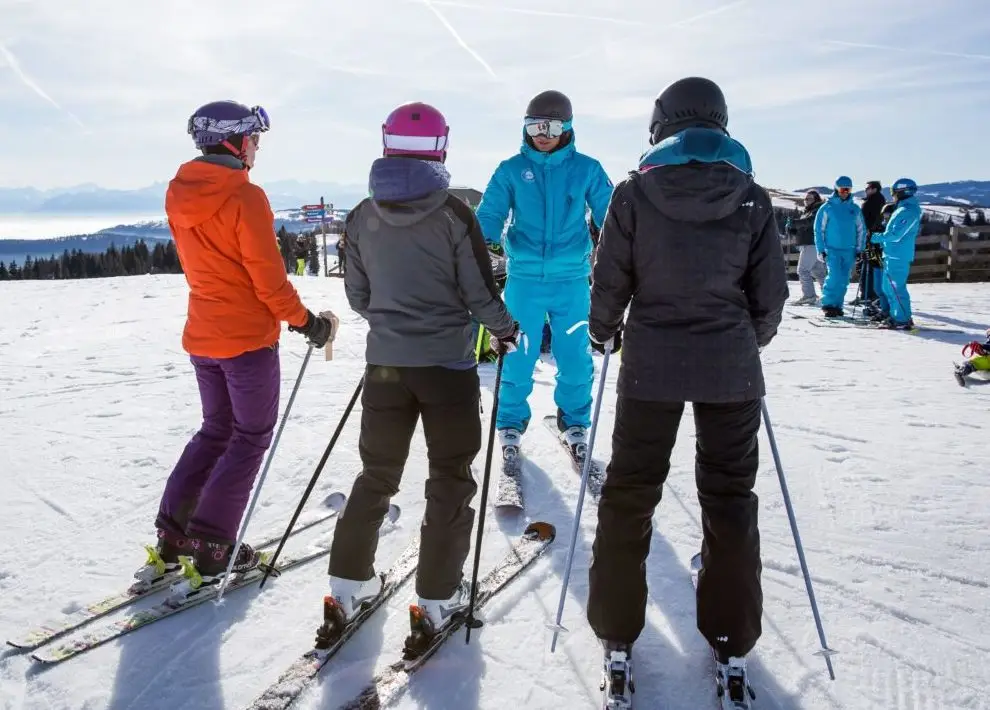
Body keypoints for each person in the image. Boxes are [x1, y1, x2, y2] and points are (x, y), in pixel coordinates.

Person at [585, 77, 789, 708]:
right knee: (729, 496)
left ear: (661, 126)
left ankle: (617, 629)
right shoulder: (750, 197)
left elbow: (610, 278)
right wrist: (743, 339)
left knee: (630, 490)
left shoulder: (635, 193)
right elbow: (770, 296)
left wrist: (604, 332)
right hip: (729, 369)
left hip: (652, 367)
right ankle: (730, 639)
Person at [322, 102, 520, 642]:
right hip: (447, 368)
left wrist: (393, 321)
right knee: (450, 478)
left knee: (377, 473)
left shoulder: (362, 213)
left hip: (386, 365)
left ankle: (347, 585)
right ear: (441, 148)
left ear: (387, 143)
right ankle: (437, 597)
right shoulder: (454, 214)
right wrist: (504, 329)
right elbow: (480, 292)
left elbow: (358, 294)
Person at [136, 100, 336, 594]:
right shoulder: (245, 197)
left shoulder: (180, 192)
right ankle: (212, 549)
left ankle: (174, 540)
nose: (257, 150)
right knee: (248, 437)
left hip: (204, 334)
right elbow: (268, 281)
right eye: (255, 140)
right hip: (245, 340)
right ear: (237, 141)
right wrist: (307, 322)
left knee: (215, 432)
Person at [475, 89, 614, 458]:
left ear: (567, 127)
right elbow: (490, 212)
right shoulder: (510, 170)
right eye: (535, 125)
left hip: (571, 281)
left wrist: (624, 246)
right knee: (518, 353)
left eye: (551, 126)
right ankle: (509, 423)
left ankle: (575, 422)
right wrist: (483, 242)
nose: (542, 133)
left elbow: (611, 215)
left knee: (574, 356)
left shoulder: (587, 169)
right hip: (524, 282)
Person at [870, 177, 921, 329]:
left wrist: (876, 237)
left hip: (898, 255)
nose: (892, 196)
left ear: (901, 192)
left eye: (893, 192)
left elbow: (896, 234)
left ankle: (902, 319)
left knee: (896, 288)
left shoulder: (908, 211)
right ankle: (895, 315)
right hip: (891, 254)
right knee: (888, 288)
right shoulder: (902, 209)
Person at [814, 176, 868, 317]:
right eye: (842, 189)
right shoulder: (827, 208)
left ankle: (837, 305)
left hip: (849, 250)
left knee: (844, 279)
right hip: (832, 249)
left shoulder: (854, 209)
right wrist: (821, 249)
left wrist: (859, 249)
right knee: (834, 277)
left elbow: (861, 230)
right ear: (836, 189)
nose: (845, 192)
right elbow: (819, 230)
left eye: (848, 189)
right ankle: (829, 304)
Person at [784, 190, 826, 305]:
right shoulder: (808, 211)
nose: (806, 201)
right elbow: (803, 227)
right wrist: (793, 228)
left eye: (809, 199)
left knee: (802, 270)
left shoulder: (817, 210)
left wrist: (794, 223)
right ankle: (828, 294)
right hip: (810, 244)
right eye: (805, 199)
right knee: (817, 271)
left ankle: (809, 295)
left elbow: (809, 222)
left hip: (812, 244)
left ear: (816, 200)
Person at [852, 180, 887, 305]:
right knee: (869, 265)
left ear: (874, 189)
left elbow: (869, 220)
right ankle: (869, 294)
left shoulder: (873, 202)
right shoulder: (878, 201)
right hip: (873, 237)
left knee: (867, 265)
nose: (866, 190)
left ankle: (868, 294)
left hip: (870, 238)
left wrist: (867, 232)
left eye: (868, 188)